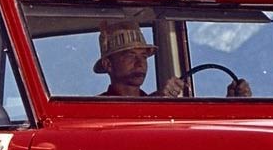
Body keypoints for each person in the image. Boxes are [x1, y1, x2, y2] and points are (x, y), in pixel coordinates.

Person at [94, 21, 252, 98]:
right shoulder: (97, 110)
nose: (140, 63)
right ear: (108, 64)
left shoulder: (161, 103)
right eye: (130, 55)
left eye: (143, 56)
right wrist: (159, 102)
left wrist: (231, 104)